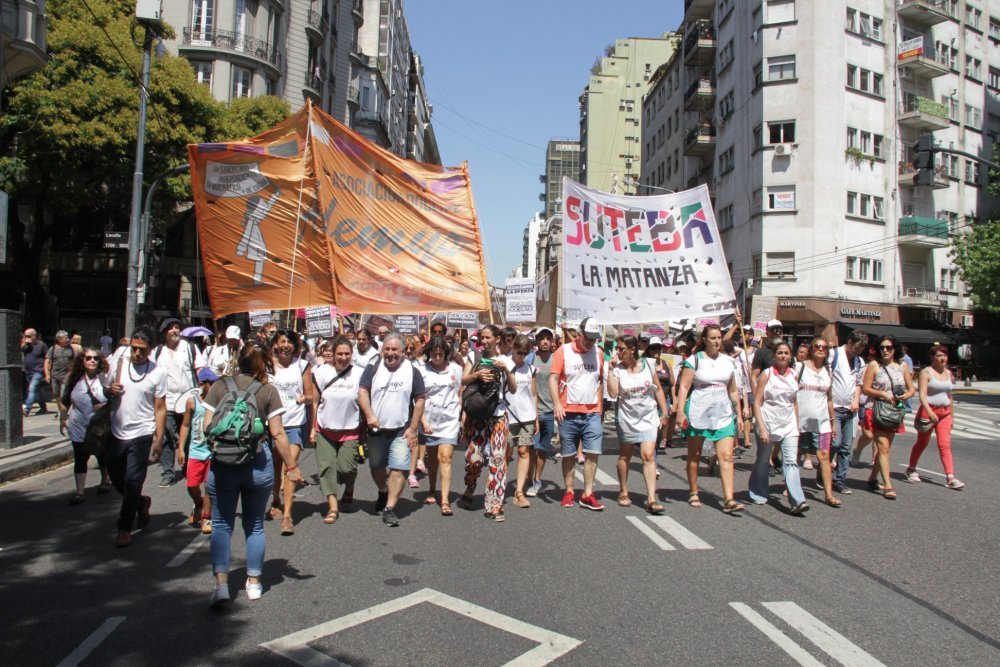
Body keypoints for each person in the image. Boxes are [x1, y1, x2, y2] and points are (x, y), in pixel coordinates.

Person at [202, 341, 304, 606]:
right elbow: (278, 433)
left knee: (222, 524)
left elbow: (206, 427)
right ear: (265, 363)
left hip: (223, 465)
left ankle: (222, 585)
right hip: (256, 465)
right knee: (255, 525)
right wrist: (291, 467)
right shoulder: (268, 391)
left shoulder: (219, 387)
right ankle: (255, 582)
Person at [104, 327, 167, 548]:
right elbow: (105, 389)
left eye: (142, 350)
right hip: (117, 430)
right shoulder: (119, 364)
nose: (137, 354)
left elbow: (160, 407)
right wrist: (109, 390)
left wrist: (158, 439)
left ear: (150, 350)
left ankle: (124, 526)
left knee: (133, 480)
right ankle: (141, 502)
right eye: (134, 349)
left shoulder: (157, 373)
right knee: (114, 473)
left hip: (142, 432)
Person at [358, 333, 426, 527]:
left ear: (403, 352)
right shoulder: (374, 367)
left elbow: (420, 399)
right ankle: (382, 490)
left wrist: (413, 428)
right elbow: (362, 392)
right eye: (387, 349)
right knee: (376, 467)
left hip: (401, 430)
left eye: (394, 349)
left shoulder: (412, 371)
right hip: (377, 429)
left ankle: (389, 508)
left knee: (399, 468)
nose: (390, 353)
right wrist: (369, 414)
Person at [674, 324, 744, 514]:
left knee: (726, 456)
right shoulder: (694, 360)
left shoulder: (729, 362)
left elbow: (733, 390)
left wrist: (739, 414)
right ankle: (694, 491)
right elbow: (684, 387)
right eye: (712, 338)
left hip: (723, 413)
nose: (716, 341)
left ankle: (729, 499)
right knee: (695, 455)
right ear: (704, 339)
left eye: (719, 338)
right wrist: (680, 411)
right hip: (699, 411)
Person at [459, 325, 517, 521]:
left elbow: (514, 388)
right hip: (478, 415)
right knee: (474, 458)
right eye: (481, 338)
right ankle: (470, 485)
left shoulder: (506, 360)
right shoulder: (474, 357)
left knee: (498, 460)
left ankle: (494, 505)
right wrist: (477, 375)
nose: (483, 342)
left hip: (499, 414)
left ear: (497, 339)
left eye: (487, 338)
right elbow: (464, 380)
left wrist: (506, 371)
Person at [549, 316, 605, 511]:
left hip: (591, 412)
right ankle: (569, 491)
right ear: (579, 334)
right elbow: (553, 378)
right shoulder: (563, 351)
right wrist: (556, 404)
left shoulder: (598, 353)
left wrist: (600, 408)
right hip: (568, 412)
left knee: (593, 453)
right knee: (569, 454)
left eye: (594, 338)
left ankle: (588, 494)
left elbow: (600, 381)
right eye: (588, 338)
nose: (591, 342)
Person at [609, 335, 669, 513]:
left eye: (621, 349)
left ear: (632, 349)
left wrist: (664, 412)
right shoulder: (617, 369)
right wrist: (610, 370)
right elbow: (612, 393)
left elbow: (657, 390)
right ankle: (623, 491)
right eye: (617, 349)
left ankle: (651, 499)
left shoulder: (648, 365)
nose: (618, 352)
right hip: (627, 418)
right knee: (625, 456)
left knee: (648, 455)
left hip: (648, 417)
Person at [311, 336, 365, 525]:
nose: (343, 357)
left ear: (352, 354)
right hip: (325, 428)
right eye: (339, 354)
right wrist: (312, 428)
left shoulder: (360, 373)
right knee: (326, 468)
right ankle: (333, 507)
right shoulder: (321, 372)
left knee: (347, 468)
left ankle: (349, 488)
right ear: (332, 355)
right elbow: (315, 401)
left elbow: (365, 400)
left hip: (350, 429)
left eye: (347, 354)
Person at [751, 342, 808, 514]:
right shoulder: (766, 375)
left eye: (786, 353)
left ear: (790, 357)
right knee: (763, 460)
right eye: (780, 353)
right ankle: (758, 492)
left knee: (791, 462)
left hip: (788, 424)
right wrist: (762, 427)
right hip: (768, 422)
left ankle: (797, 500)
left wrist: (796, 426)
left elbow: (794, 402)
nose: (783, 356)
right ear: (774, 356)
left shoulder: (795, 375)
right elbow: (757, 402)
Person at [268, 329, 315, 534]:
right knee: (274, 466)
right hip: (272, 423)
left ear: (295, 346)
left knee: (290, 466)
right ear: (276, 345)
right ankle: (275, 499)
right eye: (281, 342)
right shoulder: (267, 365)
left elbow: (311, 395)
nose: (285, 345)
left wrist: (304, 399)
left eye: (289, 342)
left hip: (294, 422)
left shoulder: (302, 365)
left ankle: (287, 515)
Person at [151, 317, 205, 487]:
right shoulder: (158, 352)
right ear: (164, 332)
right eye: (171, 328)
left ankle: (188, 468)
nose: (175, 330)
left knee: (189, 436)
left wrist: (204, 388)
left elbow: (200, 370)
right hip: (167, 402)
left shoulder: (190, 348)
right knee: (166, 436)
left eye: (177, 327)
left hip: (189, 401)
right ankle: (168, 472)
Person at [861, 335, 914, 500]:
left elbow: (912, 388)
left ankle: (872, 478)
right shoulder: (874, 365)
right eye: (882, 347)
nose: (885, 350)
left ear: (894, 349)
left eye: (889, 348)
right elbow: (866, 389)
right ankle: (888, 486)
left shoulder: (902, 366)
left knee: (885, 449)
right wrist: (882, 394)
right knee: (882, 447)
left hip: (895, 410)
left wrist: (905, 396)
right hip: (877, 409)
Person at [906, 344, 964, 489]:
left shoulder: (949, 373)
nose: (943, 358)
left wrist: (952, 416)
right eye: (939, 355)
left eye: (944, 355)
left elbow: (949, 396)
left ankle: (950, 477)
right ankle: (911, 468)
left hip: (945, 414)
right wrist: (929, 411)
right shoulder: (926, 372)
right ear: (932, 358)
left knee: (944, 444)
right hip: (928, 411)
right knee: (922, 442)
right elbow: (922, 395)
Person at [59, 347, 112, 504]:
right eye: (88, 358)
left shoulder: (104, 379)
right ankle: (80, 492)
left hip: (99, 428)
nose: (92, 361)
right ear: (82, 361)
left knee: (102, 455)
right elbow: (65, 402)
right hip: (79, 427)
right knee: (80, 458)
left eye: (95, 358)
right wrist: (63, 419)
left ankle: (105, 480)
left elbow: (114, 401)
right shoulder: (74, 380)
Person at [418, 336, 464, 515]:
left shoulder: (456, 369)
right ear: (429, 353)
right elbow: (418, 397)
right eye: (434, 353)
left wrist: (460, 415)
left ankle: (445, 500)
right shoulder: (421, 371)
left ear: (446, 353)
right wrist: (422, 421)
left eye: (441, 353)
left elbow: (460, 392)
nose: (437, 357)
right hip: (428, 420)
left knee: (445, 457)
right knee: (433, 458)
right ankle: (431, 488)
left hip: (449, 420)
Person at [796, 337, 840, 507]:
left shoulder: (828, 371)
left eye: (824, 347)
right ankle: (792, 487)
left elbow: (829, 399)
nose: (821, 349)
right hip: (800, 421)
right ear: (811, 349)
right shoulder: (800, 367)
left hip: (822, 423)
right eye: (817, 346)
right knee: (796, 455)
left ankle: (829, 495)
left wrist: (833, 421)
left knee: (824, 457)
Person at [177, 368, 219, 534]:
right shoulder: (192, 402)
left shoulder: (219, 401)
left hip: (212, 451)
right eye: (212, 383)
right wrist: (181, 448)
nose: (215, 386)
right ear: (203, 384)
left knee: (209, 485)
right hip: (195, 450)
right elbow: (186, 425)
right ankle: (198, 502)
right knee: (192, 485)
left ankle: (206, 517)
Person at [830, 330, 868, 495]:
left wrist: (856, 401)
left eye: (861, 349)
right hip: (834, 407)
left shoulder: (860, 361)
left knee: (846, 447)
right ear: (850, 342)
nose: (858, 352)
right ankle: (823, 472)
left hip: (850, 409)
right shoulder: (834, 355)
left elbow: (859, 383)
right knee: (834, 443)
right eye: (857, 348)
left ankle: (840, 480)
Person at [506, 334, 539, 509]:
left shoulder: (531, 369)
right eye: (519, 352)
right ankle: (499, 485)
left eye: (525, 353)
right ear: (512, 348)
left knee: (524, 451)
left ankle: (519, 491)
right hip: (508, 415)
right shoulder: (505, 365)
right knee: (506, 454)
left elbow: (533, 395)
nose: (521, 356)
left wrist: (536, 418)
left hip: (526, 416)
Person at [526, 327, 556, 497]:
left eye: (548, 338)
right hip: (533, 412)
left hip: (550, 411)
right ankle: (530, 479)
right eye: (541, 338)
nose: (545, 341)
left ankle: (537, 479)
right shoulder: (531, 359)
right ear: (536, 342)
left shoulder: (557, 360)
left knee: (543, 448)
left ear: (552, 342)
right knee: (532, 448)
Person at [45, 331, 79, 420]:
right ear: (59, 340)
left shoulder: (70, 348)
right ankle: (61, 410)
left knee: (63, 393)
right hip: (55, 375)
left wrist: (73, 371)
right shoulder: (53, 349)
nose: (68, 339)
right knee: (56, 394)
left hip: (66, 375)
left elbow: (74, 360)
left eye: (68, 337)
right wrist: (47, 374)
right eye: (66, 338)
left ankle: (63, 411)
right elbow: (47, 361)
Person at [21, 328, 48, 416]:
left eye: (28, 336)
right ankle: (43, 407)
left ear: (34, 336)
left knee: (32, 388)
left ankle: (27, 408)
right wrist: (25, 343)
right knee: (36, 391)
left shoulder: (41, 345)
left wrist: (47, 372)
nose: (26, 337)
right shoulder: (26, 345)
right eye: (25, 336)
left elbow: (47, 358)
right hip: (28, 371)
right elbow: (20, 350)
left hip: (38, 371)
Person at [900, 345, 915, 412]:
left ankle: (909, 407)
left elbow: (910, 371)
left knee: (908, 391)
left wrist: (909, 379)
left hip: (906, 378)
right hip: (902, 378)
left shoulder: (907, 359)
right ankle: (905, 406)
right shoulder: (902, 358)